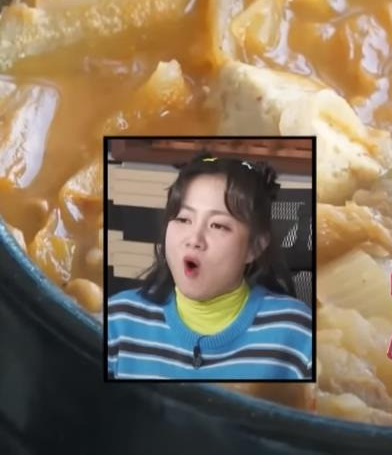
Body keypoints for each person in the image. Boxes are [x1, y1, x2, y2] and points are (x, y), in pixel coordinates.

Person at [107, 153, 313, 380]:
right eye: (183, 219)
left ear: (254, 247)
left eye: (218, 225)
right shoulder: (118, 321)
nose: (194, 239)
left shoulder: (297, 333)